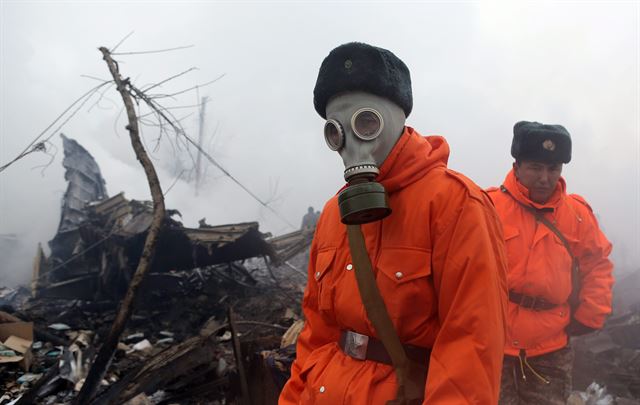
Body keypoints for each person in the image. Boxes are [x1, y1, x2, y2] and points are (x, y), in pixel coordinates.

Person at [279, 42, 508, 404]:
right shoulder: (333, 216)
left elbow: (471, 347)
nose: (351, 143)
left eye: (366, 122)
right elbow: (318, 334)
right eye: (336, 131)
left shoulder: (455, 205)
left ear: (397, 118)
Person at [487, 121, 614, 405]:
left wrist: (590, 316)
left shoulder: (578, 214)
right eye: (535, 167)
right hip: (493, 343)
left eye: (554, 168)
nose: (545, 177)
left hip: (551, 350)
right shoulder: (486, 207)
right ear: (516, 165)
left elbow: (598, 265)